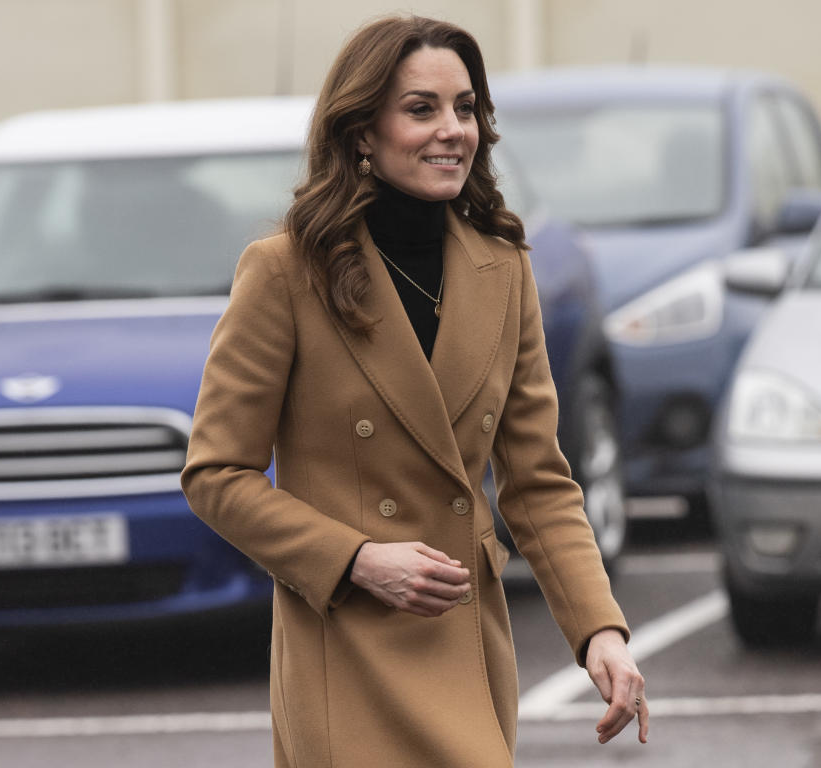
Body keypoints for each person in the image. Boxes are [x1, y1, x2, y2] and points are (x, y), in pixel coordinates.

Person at [182, 15, 648, 768]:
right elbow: (215, 475)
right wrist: (356, 558)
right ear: (362, 133)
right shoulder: (283, 273)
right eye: (421, 109)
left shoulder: (503, 267)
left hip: (465, 643)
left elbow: (536, 482)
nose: (452, 130)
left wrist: (600, 630)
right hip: (347, 652)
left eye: (464, 108)